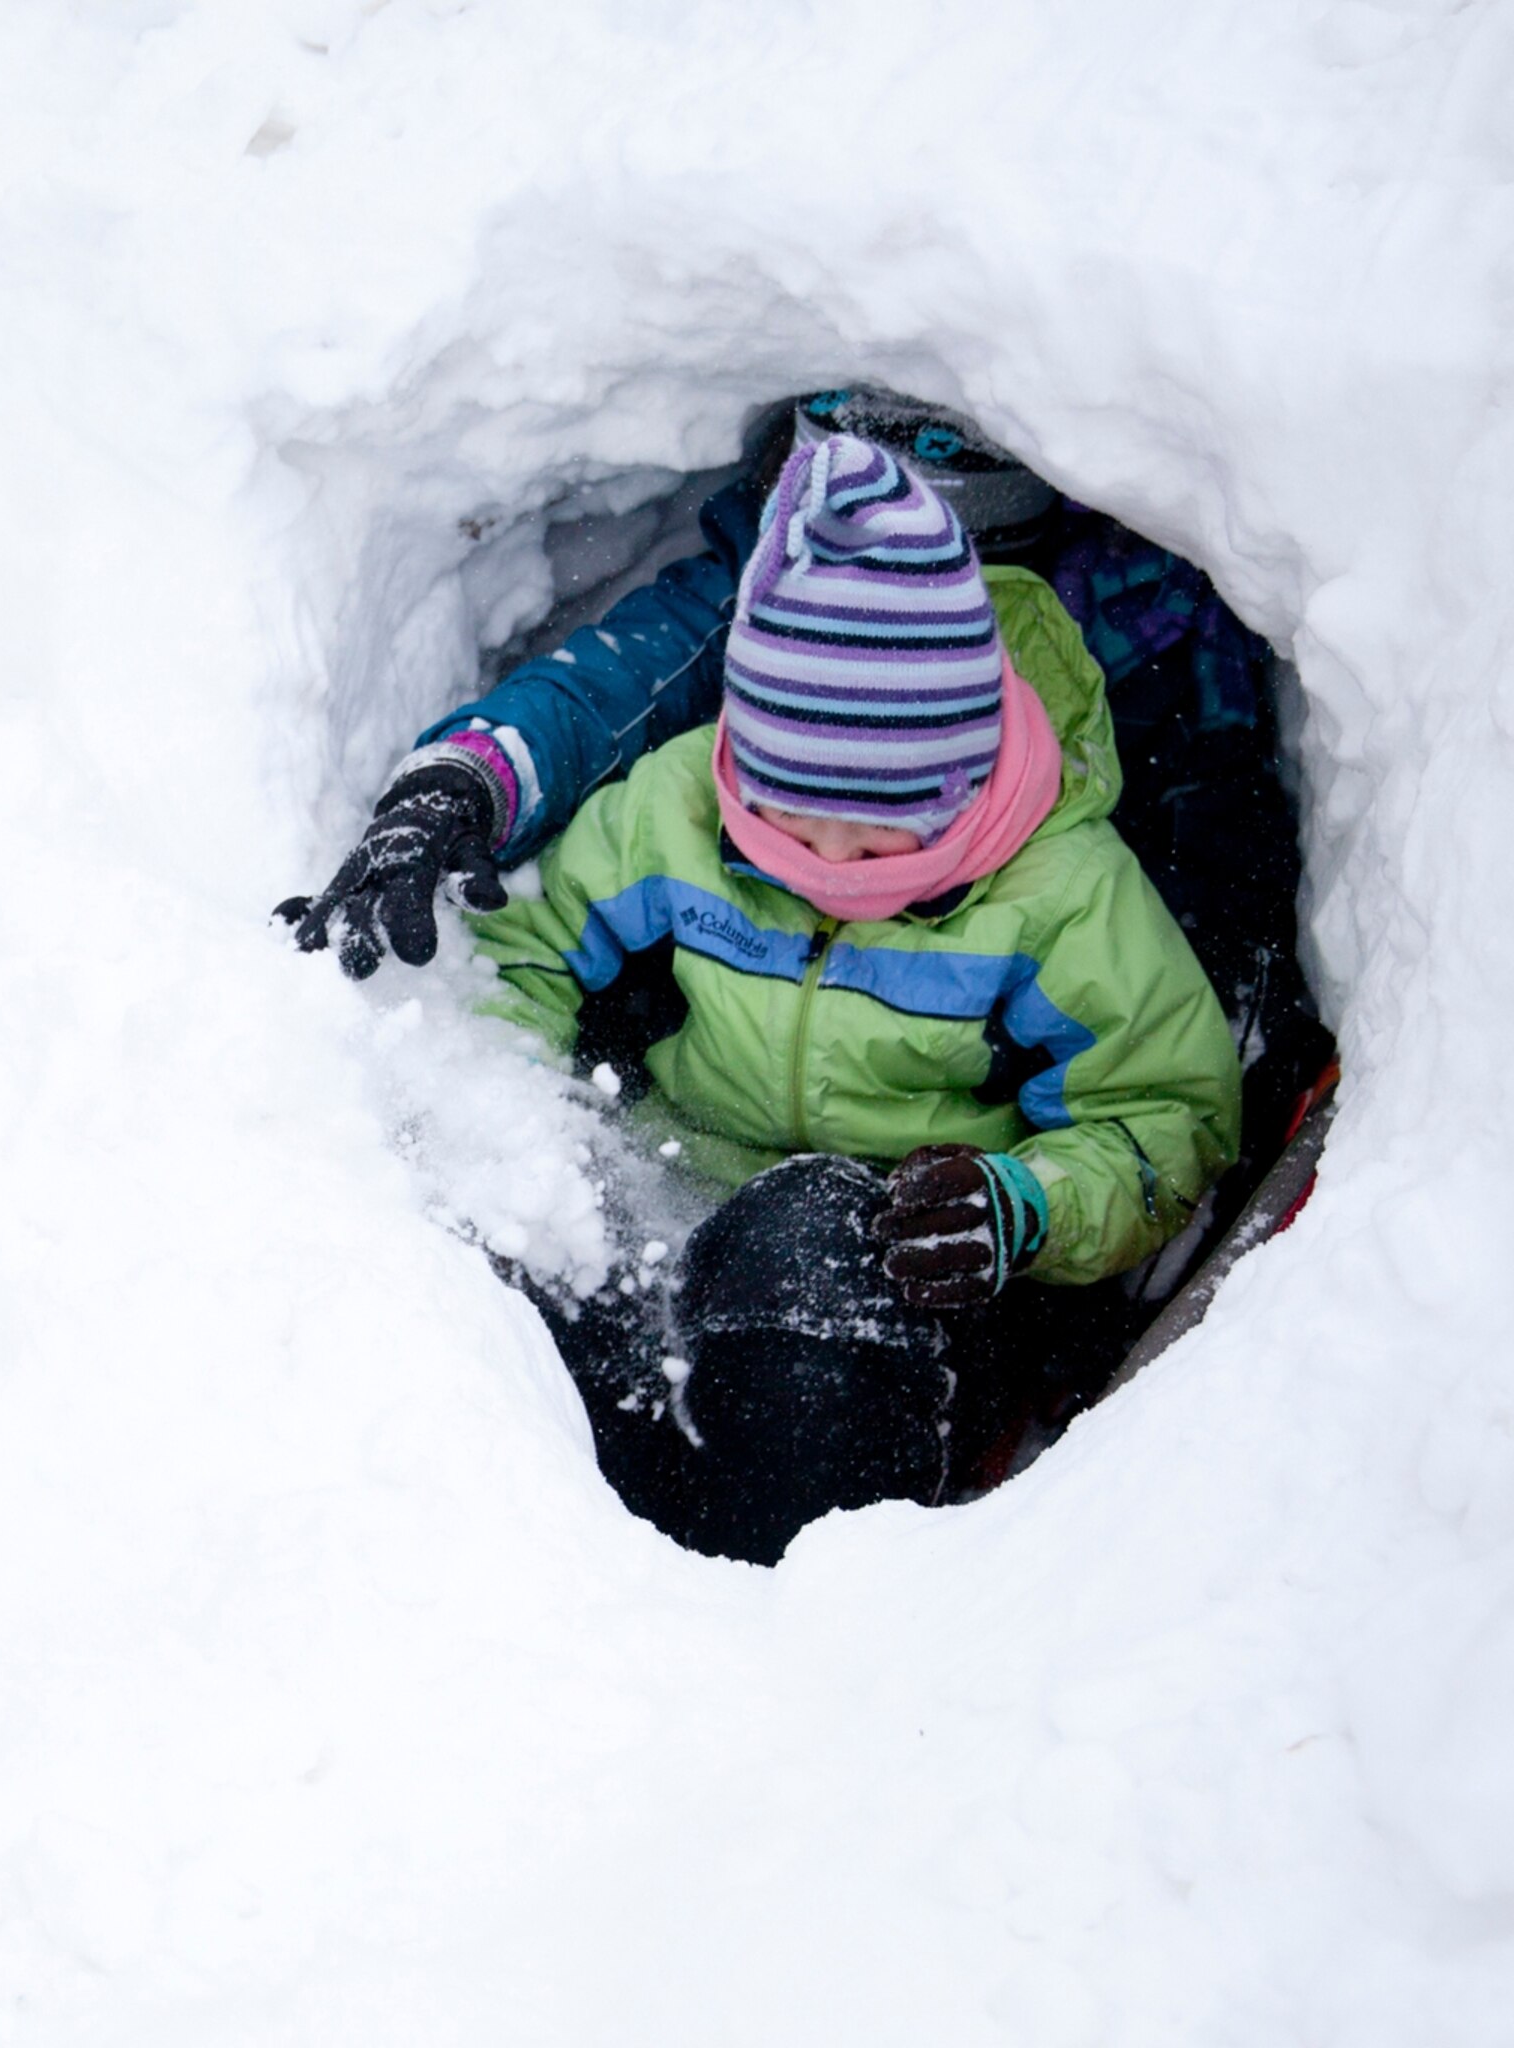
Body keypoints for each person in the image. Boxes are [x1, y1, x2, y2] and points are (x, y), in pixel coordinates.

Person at [343, 431, 1243, 1563]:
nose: (821, 863)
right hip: (681, 1214)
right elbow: (529, 947)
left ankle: (775, 1575)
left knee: (808, 1239)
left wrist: (1025, 1204)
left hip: (913, 1277)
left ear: (958, 782)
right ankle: (557, 1539)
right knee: (540, 1260)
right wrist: (525, 1121)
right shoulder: (675, 813)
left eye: (872, 840)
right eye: (782, 820)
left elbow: (1171, 1118)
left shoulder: (1063, 897)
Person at [278, 388, 1325, 1162]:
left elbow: (1151, 1026)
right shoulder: (764, 640)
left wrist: (1055, 1195)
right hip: (711, 1137)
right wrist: (466, 781)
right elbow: (630, 676)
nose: (826, 860)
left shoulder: (1122, 682)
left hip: (939, 1175)